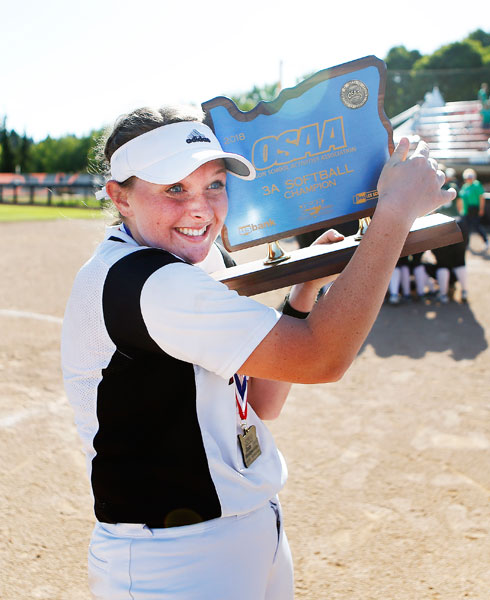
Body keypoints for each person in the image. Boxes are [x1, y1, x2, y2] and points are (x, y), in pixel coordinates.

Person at [61, 104, 453, 600]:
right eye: (173, 189)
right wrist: (393, 212)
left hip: (248, 529)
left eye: (215, 185)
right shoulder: (149, 282)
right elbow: (321, 359)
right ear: (121, 197)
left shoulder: (191, 263)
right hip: (176, 558)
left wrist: (304, 290)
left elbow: (261, 404)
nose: (200, 207)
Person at [431, 167, 469, 303]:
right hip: (457, 223)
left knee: (442, 263)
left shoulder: (432, 190)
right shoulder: (453, 187)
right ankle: (464, 291)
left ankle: (443, 294)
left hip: (441, 225)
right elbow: (460, 207)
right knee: (460, 260)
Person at [459, 167, 489, 252]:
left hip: (474, 209)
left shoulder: (477, 185)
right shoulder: (465, 186)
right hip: (466, 210)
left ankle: (486, 241)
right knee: (466, 227)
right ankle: (466, 244)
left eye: (470, 177)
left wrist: (481, 209)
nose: (468, 179)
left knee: (476, 226)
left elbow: (481, 198)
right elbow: (462, 199)